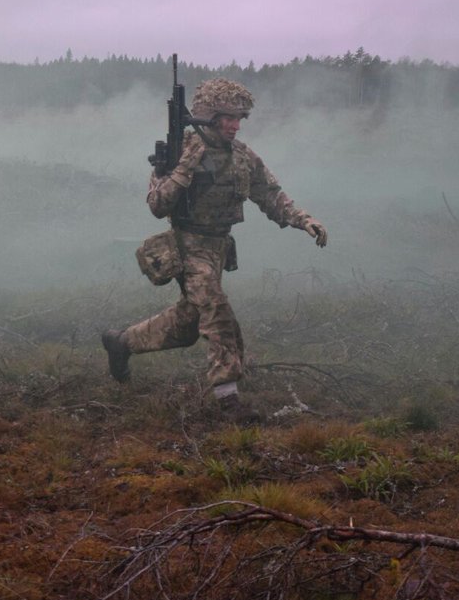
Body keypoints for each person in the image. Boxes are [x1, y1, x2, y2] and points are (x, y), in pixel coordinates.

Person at [102, 78, 327, 419]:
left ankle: (121, 343)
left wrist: (303, 220)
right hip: (187, 247)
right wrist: (183, 170)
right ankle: (228, 399)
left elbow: (270, 194)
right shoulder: (180, 151)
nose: (235, 126)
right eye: (228, 118)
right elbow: (157, 204)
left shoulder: (242, 157)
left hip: (219, 248)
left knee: (188, 324)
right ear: (208, 117)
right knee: (217, 312)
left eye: (239, 119)